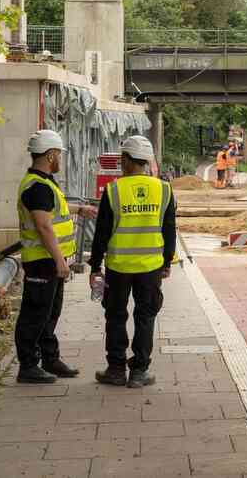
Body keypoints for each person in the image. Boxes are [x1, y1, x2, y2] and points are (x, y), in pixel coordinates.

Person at [89, 136, 177, 388]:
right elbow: (169, 229)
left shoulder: (114, 190)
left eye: (121, 159)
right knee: (145, 317)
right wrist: (167, 262)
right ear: (147, 161)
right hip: (150, 268)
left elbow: (102, 233)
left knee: (115, 316)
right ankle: (139, 371)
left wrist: (95, 266)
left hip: (118, 267)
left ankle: (116, 369)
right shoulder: (164, 189)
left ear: (126, 160)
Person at [14, 130, 98, 384]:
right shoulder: (38, 187)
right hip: (42, 261)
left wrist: (79, 209)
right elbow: (43, 226)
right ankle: (28, 365)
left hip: (49, 261)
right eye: (59, 155)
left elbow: (55, 209)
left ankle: (50, 359)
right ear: (51, 155)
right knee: (35, 313)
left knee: (50, 312)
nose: (60, 159)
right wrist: (60, 260)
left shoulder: (45, 183)